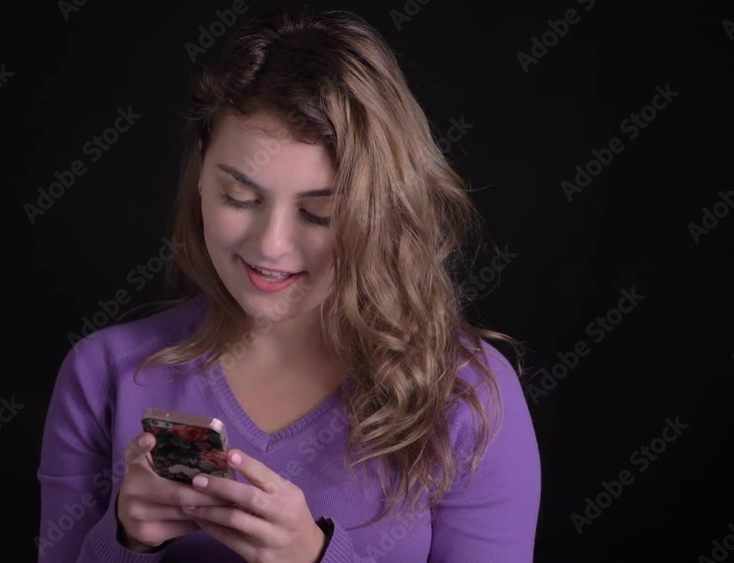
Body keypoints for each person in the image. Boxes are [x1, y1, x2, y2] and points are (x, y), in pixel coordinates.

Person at [36, 7, 540, 562]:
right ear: (202, 172)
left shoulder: (468, 396)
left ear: (380, 212)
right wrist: (125, 540)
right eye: (240, 198)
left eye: (319, 213)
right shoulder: (104, 374)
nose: (271, 245)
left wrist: (317, 557)